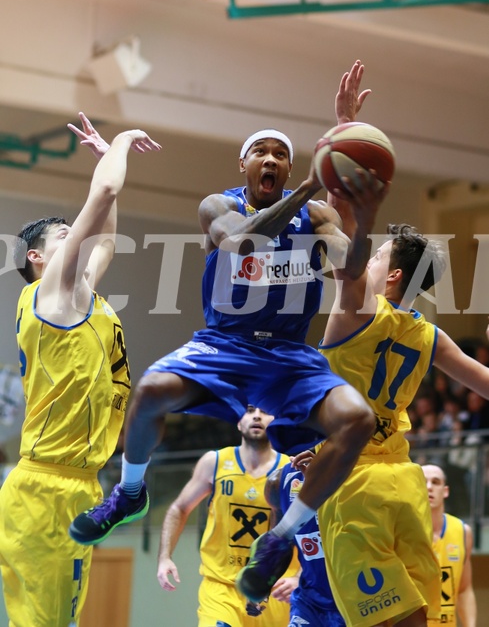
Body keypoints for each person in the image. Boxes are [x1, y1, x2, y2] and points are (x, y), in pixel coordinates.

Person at [68, 61, 377, 604]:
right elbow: (241, 243)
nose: (273, 160)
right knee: (150, 392)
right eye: (263, 152)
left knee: (358, 420)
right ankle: (132, 491)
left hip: (288, 357)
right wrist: (308, 185)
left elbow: (351, 271)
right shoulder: (220, 205)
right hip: (223, 348)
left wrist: (366, 214)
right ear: (244, 164)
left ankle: (280, 539)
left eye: (282, 154)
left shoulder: (319, 216)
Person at [312, 137, 489, 626]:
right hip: (404, 481)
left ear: (390, 278)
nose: (363, 264)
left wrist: (340, 141)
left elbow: (339, 238)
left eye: (374, 260)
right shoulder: (431, 336)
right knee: (415, 618)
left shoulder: (355, 314)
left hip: (354, 480)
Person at [0, 114, 161, 627]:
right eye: (65, 236)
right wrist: (120, 143)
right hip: (46, 487)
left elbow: (106, 239)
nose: (79, 239)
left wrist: (106, 192)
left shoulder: (81, 295)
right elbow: (108, 186)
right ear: (36, 257)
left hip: (75, 483)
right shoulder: (47, 295)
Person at [157, 404, 300, 626]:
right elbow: (179, 508)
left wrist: (299, 577)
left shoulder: (291, 469)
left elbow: (313, 530)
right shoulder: (214, 463)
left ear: (276, 420)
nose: (256, 416)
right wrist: (165, 556)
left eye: (264, 411)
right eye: (250, 410)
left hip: (275, 591)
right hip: (221, 588)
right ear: (238, 421)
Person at [265, 449, 346, 627]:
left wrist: (323, 482)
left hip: (354, 599)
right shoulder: (278, 481)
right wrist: (262, 582)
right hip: (310, 602)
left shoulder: (356, 470)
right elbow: (280, 543)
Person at [422, 464, 477, 627]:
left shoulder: (462, 531)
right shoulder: (402, 530)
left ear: (445, 491)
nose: (429, 487)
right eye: (423, 482)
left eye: (435, 482)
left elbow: (464, 589)